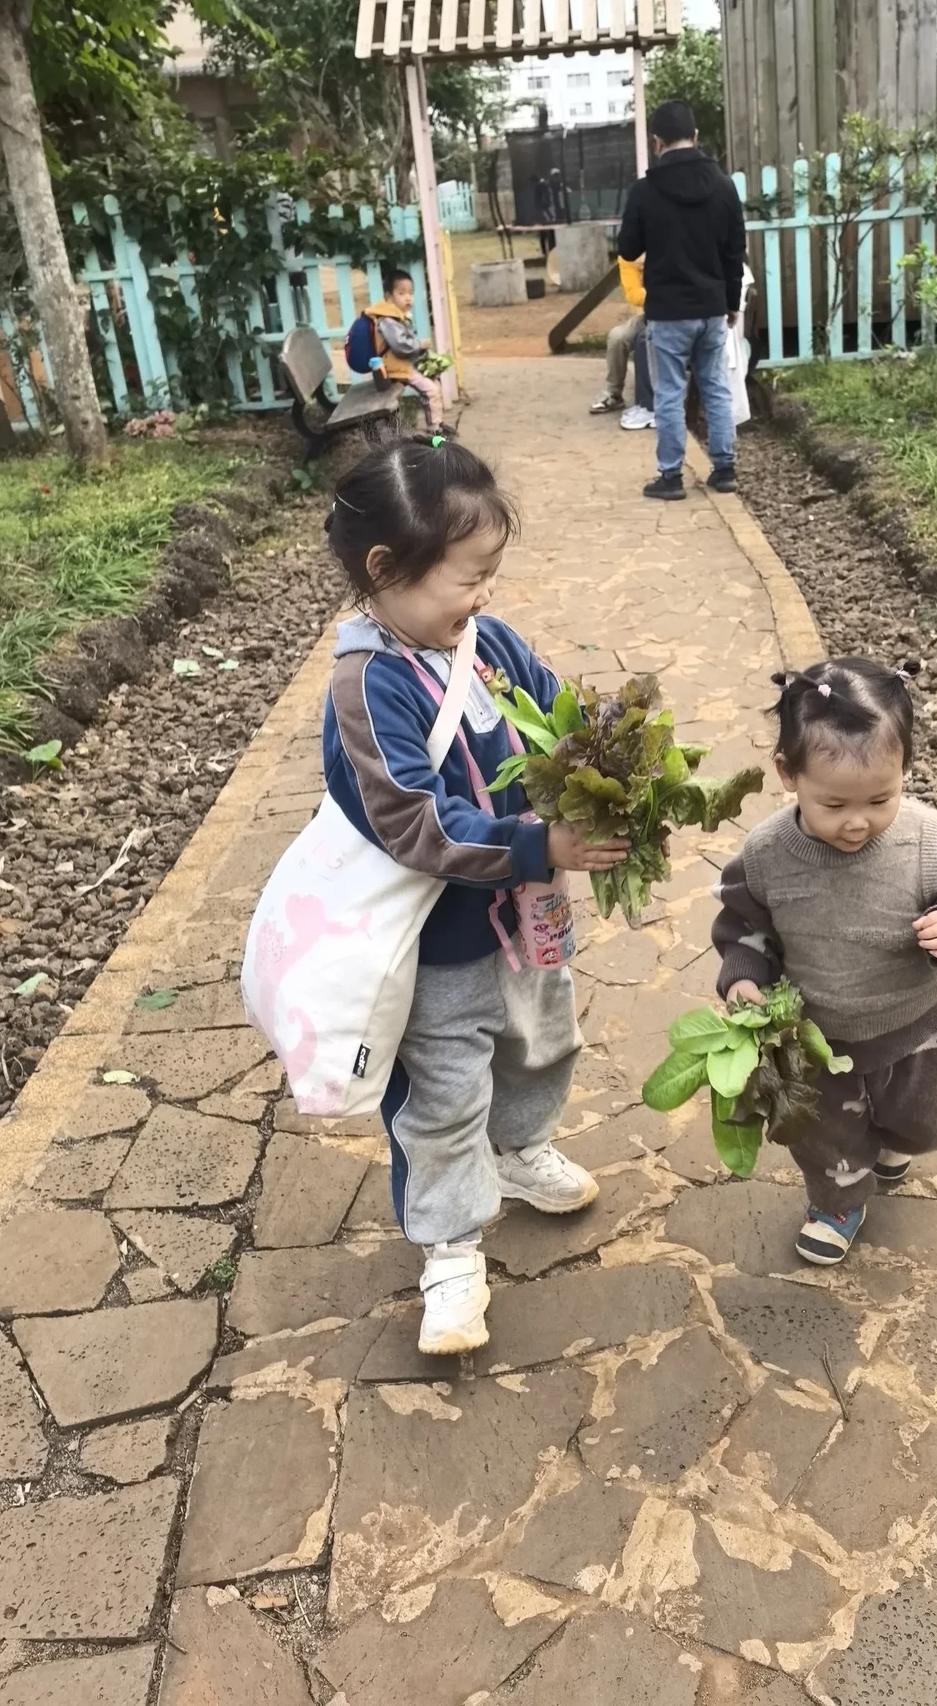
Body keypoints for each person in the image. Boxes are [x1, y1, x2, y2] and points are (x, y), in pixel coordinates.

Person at [323, 437, 631, 1355]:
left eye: (492, 573)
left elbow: (553, 714)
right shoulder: (368, 690)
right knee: (444, 1088)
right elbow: (416, 824)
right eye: (468, 577)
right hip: (438, 941)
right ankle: (450, 1246)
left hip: (526, 918)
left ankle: (520, 1148)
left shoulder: (483, 642)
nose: (484, 595)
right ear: (386, 570)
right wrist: (541, 841)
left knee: (540, 1038)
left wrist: (605, 747)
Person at [711, 658, 937, 1265]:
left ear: (904, 770)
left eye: (881, 798)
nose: (858, 822)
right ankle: (836, 1201)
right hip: (819, 1036)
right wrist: (746, 978)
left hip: (917, 1030)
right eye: (834, 805)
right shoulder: (768, 856)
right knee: (826, 1136)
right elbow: (746, 925)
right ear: (787, 773)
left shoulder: (927, 839)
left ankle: (894, 1141)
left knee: (926, 1124)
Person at [617, 98, 746, 501]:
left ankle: (670, 476)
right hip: (711, 308)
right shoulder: (724, 186)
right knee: (715, 386)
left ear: (657, 142)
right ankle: (724, 470)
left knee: (669, 392)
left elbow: (628, 247)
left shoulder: (645, 191)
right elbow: (734, 250)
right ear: (696, 137)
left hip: (668, 311)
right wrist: (731, 302)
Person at [363, 270, 444, 428]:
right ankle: (435, 434)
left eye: (410, 293)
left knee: (435, 381)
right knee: (431, 390)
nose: (408, 297)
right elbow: (401, 346)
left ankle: (437, 423)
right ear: (388, 296)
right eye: (401, 293)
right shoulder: (387, 319)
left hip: (401, 365)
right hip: (394, 369)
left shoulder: (395, 316)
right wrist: (419, 345)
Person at [591, 255, 654, 428]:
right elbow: (634, 294)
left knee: (646, 340)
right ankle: (613, 393)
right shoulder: (627, 258)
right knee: (617, 337)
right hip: (648, 312)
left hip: (672, 310)